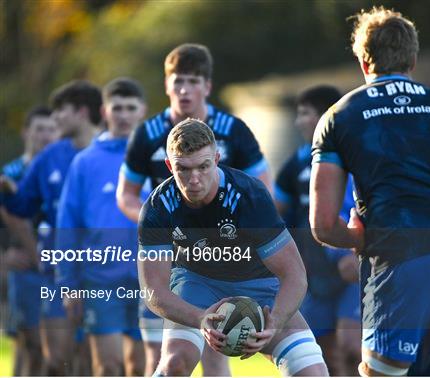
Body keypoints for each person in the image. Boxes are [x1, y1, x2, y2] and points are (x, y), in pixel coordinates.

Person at [309, 6, 430, 377]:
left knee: (383, 371)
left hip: (403, 252)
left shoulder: (339, 116)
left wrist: (356, 237)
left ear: (364, 61)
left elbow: (321, 224)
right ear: (413, 58)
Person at [116, 43, 272, 376]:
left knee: (218, 348)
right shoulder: (147, 135)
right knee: (162, 354)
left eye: (192, 81)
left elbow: (263, 189)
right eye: (177, 81)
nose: (184, 90)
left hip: (225, 257)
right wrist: (162, 229)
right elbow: (127, 196)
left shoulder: (234, 130)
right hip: (167, 256)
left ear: (207, 86)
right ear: (166, 85)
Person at [137, 118, 328, 376]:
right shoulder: (158, 207)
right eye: (183, 169)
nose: (194, 179)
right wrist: (199, 317)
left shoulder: (250, 197)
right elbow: (153, 290)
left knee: (312, 372)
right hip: (196, 284)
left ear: (216, 159)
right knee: (175, 364)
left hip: (259, 286)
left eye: (203, 166)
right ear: (170, 166)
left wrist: (275, 321)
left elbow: (295, 275)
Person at [1, 80, 102, 375]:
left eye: (61, 111)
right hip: (58, 271)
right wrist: (7, 190)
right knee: (57, 357)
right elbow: (22, 206)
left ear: (81, 112)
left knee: (96, 358)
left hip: (103, 269)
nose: (55, 118)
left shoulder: (111, 150)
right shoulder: (50, 157)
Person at [55, 78, 147, 376]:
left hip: (151, 279)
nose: (123, 115)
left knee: (142, 367)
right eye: (116, 108)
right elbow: (67, 225)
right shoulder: (85, 162)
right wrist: (67, 284)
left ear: (142, 111)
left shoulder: (158, 159)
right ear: (104, 112)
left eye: (130, 108)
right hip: (100, 280)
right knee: (108, 366)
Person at [274, 85, 362, 375]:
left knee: (352, 347)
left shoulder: (358, 154)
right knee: (322, 354)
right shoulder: (296, 163)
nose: (298, 121)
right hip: (313, 271)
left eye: (304, 113)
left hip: (353, 263)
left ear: (325, 116)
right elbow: (276, 212)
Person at [1, 106, 59, 376]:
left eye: (51, 129)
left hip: (59, 271)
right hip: (25, 272)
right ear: (26, 132)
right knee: (31, 343)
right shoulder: (10, 174)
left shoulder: (63, 168)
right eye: (39, 129)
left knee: (54, 349)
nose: (46, 136)